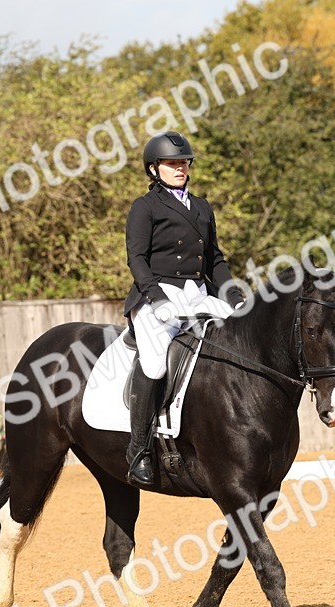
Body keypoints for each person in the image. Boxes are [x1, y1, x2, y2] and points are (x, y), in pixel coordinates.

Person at [123, 131, 244, 486]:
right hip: (158, 295)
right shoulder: (145, 207)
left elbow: (214, 259)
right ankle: (139, 451)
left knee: (239, 341)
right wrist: (155, 298)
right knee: (155, 363)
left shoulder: (202, 207)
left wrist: (234, 297)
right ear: (154, 168)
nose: (180, 168)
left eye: (184, 163)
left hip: (198, 294)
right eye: (172, 163)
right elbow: (136, 258)